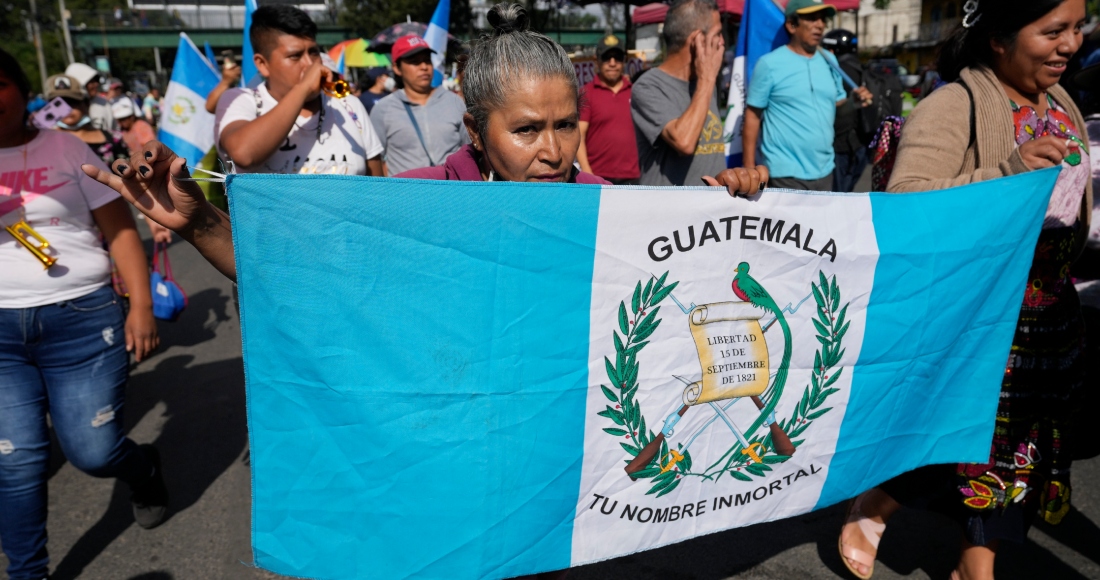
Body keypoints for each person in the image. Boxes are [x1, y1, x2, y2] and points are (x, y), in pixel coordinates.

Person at [81, 2, 767, 284]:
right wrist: (201, 222)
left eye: (564, 125)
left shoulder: (598, 200)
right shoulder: (414, 203)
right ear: (475, 132)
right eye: (527, 129)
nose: (554, 152)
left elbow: (685, 274)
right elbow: (297, 268)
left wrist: (730, 209)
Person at [837, 2, 1090, 580]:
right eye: (1053, 31)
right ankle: (968, 565)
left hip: (1048, 317)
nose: (1071, 44)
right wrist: (1007, 172)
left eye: (1077, 28)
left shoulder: (1062, 103)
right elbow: (907, 203)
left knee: (1015, 454)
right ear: (999, 39)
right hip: (980, 320)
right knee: (974, 445)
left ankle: (885, 505)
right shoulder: (954, 104)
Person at [0, 50, 167, 580]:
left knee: (93, 452)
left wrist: (141, 306)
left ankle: (143, 470)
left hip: (81, 320)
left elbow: (120, 230)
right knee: (15, 461)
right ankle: (28, 573)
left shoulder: (67, 147)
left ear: (21, 91)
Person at [214, 5, 383, 175]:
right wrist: (303, 88)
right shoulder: (240, 100)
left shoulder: (348, 105)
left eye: (314, 52)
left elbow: (377, 184)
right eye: (295, 56)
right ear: (262, 64)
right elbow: (243, 155)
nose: (310, 64)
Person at [742, 0, 872, 192]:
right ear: (791, 25)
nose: (820, 25)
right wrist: (749, 169)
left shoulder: (830, 61)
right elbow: (752, 117)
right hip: (784, 174)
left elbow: (836, 108)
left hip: (825, 170)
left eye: (822, 19)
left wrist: (853, 102)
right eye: (811, 19)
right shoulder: (769, 64)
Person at [631, 0, 733, 186]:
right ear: (697, 40)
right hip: (670, 205)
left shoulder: (703, 81)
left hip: (712, 205)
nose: (722, 42)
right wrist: (707, 79)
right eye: (717, 34)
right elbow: (684, 142)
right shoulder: (648, 86)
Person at [370, 35, 470, 175]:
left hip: (451, 187)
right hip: (405, 188)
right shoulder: (383, 109)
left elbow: (469, 149)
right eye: (415, 62)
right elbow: (375, 159)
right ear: (397, 68)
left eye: (427, 60)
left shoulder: (454, 102)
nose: (424, 67)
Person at [576, 34, 640, 184]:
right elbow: (578, 135)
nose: (612, 63)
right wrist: (587, 173)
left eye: (617, 58)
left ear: (624, 60)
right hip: (598, 178)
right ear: (596, 61)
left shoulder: (637, 92)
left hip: (633, 178)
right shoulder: (586, 93)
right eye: (606, 58)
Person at [113, 98, 172, 243]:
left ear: (132, 116)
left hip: (147, 168)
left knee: (154, 201)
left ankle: (162, 228)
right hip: (135, 171)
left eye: (124, 119)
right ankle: (158, 230)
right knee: (145, 203)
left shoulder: (141, 127)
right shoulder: (123, 131)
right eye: (119, 120)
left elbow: (149, 146)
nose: (121, 123)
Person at [822, 28, 870, 192]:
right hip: (860, 144)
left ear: (833, 50)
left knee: (836, 198)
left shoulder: (835, 71)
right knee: (846, 195)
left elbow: (834, 107)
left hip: (841, 145)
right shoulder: (862, 68)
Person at [46, 74, 130, 167]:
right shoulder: (44, 142)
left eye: (73, 102)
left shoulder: (113, 137)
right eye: (59, 104)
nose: (67, 109)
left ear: (86, 105)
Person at [64, 62, 115, 131]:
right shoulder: (64, 107)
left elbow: (114, 129)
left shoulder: (103, 102)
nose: (96, 84)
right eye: (91, 82)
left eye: (96, 80)